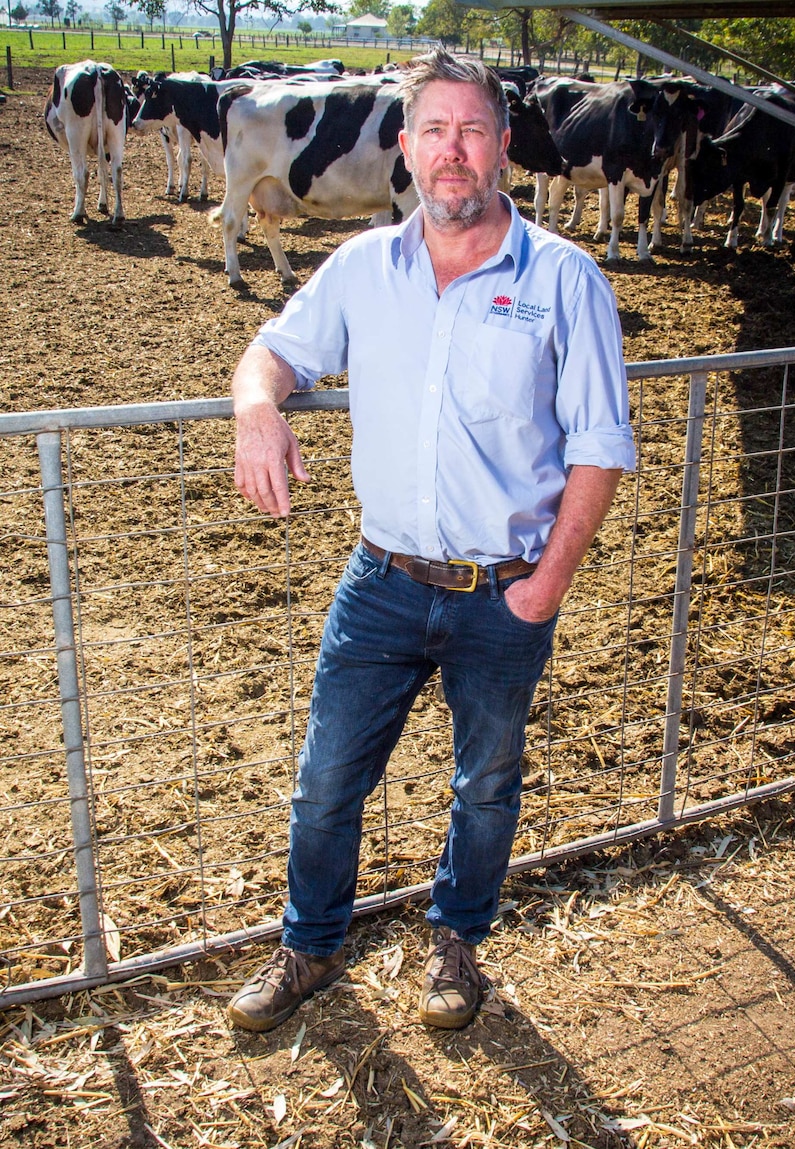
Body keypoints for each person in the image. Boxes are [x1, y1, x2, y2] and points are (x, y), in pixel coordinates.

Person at [226, 48, 636, 1034]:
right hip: (382, 579)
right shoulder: (364, 267)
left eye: (472, 131)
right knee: (326, 782)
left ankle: (457, 942)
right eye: (434, 131)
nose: (453, 151)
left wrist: (545, 587)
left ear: (501, 148)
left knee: (484, 785)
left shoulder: (564, 277)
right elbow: (274, 350)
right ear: (405, 147)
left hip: (504, 590)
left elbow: (600, 446)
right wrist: (255, 408)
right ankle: (310, 945)